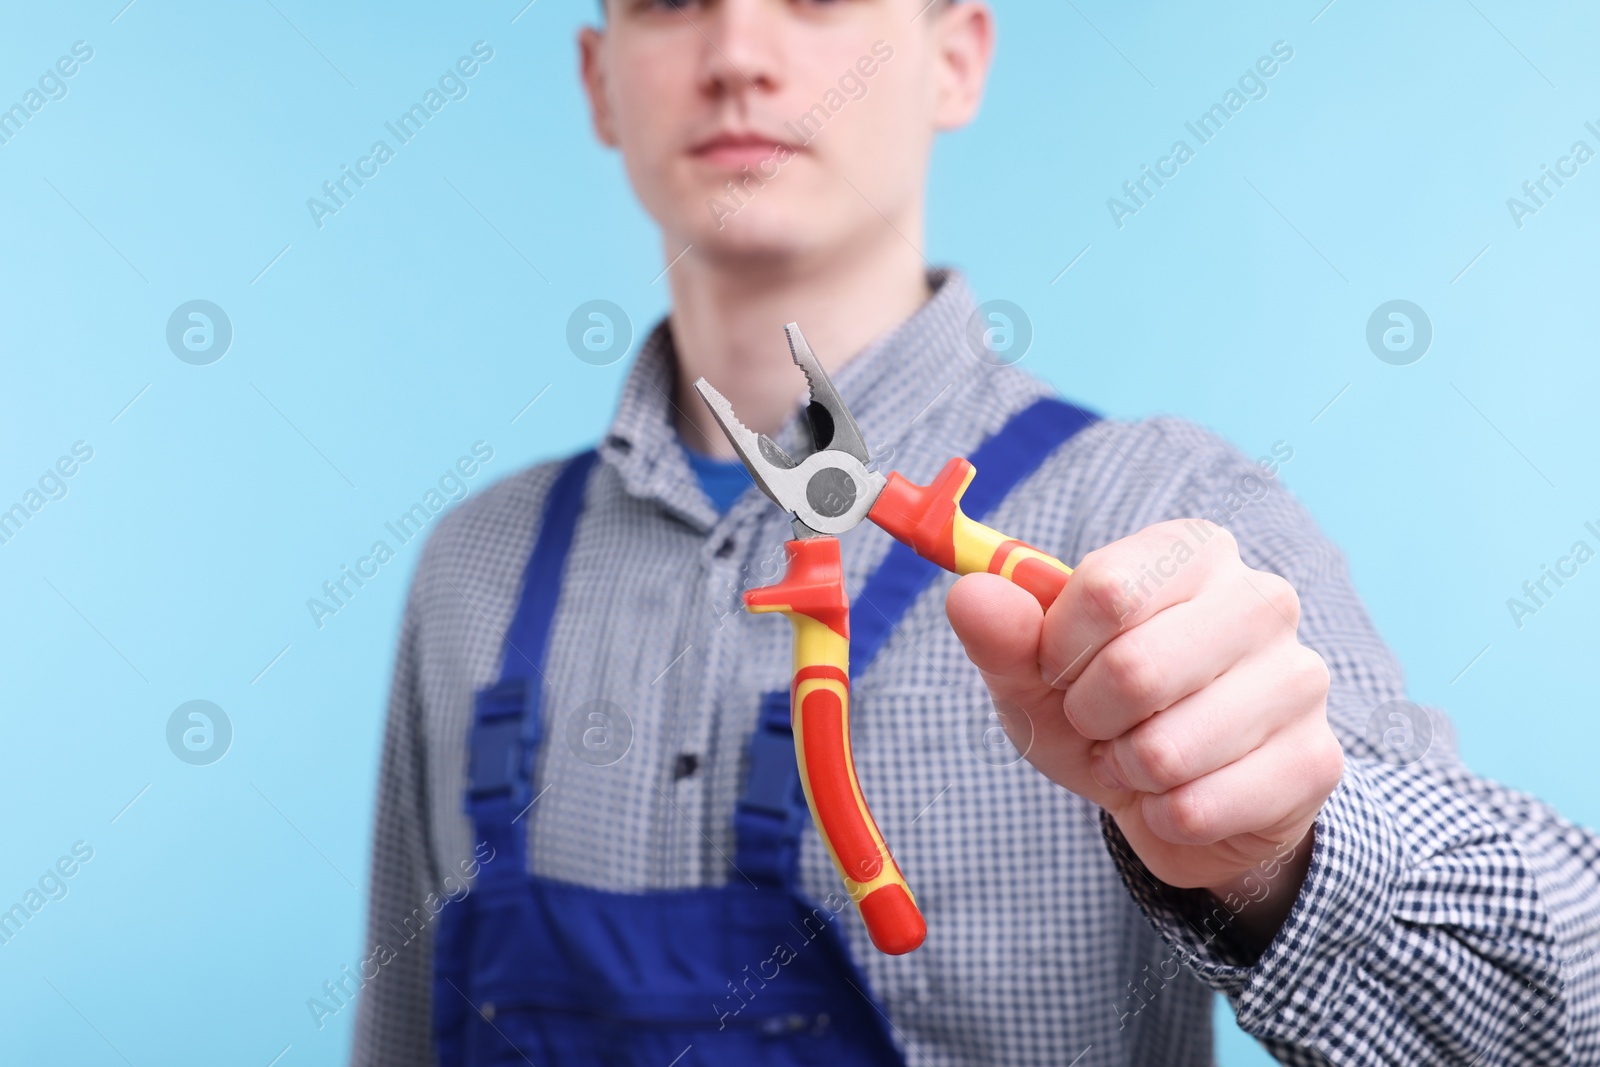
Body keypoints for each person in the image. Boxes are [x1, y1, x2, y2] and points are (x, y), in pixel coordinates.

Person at [350, 1, 1600, 1064]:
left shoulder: (1161, 516)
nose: (736, 49)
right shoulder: (475, 562)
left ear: (956, 55)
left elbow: (1573, 1008)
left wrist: (1284, 856)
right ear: (598, 80)